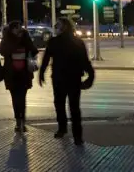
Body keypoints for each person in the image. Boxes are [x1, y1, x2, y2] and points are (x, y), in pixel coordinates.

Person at [39, 17, 95, 146]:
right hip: (73, 78)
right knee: (74, 107)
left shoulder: (54, 41)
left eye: (57, 25)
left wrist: (42, 73)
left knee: (60, 104)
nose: (55, 27)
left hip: (60, 78)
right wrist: (90, 76)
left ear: (63, 27)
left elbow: (46, 59)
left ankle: (62, 129)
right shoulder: (77, 42)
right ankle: (77, 136)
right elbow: (85, 62)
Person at [0, 21, 38, 133]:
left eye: (19, 28)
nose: (18, 30)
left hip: (24, 73)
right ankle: (18, 122)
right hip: (12, 74)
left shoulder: (25, 38)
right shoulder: (7, 39)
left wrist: (25, 39)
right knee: (15, 99)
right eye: (16, 28)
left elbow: (34, 50)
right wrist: (16, 40)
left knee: (22, 98)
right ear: (11, 30)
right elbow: (4, 52)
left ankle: (23, 122)